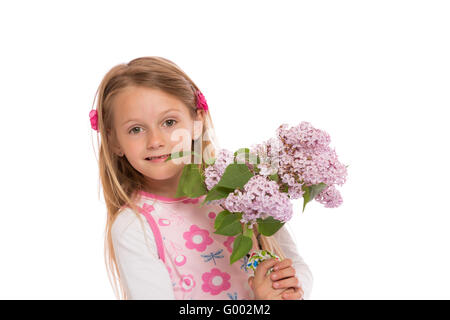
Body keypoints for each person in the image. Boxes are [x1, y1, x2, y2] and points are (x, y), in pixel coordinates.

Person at [89, 56, 313, 300]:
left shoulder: (239, 191)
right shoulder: (134, 226)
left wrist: (287, 287)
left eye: (169, 122)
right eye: (136, 129)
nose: (155, 141)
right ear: (113, 141)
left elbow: (297, 266)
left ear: (197, 122)